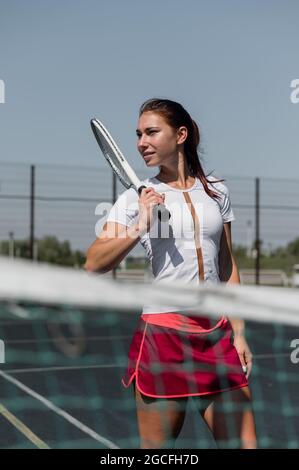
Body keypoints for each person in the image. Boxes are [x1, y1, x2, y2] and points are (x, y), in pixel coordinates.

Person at [85, 98, 257, 449]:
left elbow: (226, 263)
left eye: (151, 132)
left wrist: (239, 332)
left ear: (180, 135)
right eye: (138, 134)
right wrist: (139, 226)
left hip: (216, 336)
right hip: (164, 337)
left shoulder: (216, 191)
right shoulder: (136, 199)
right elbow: (94, 263)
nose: (141, 143)